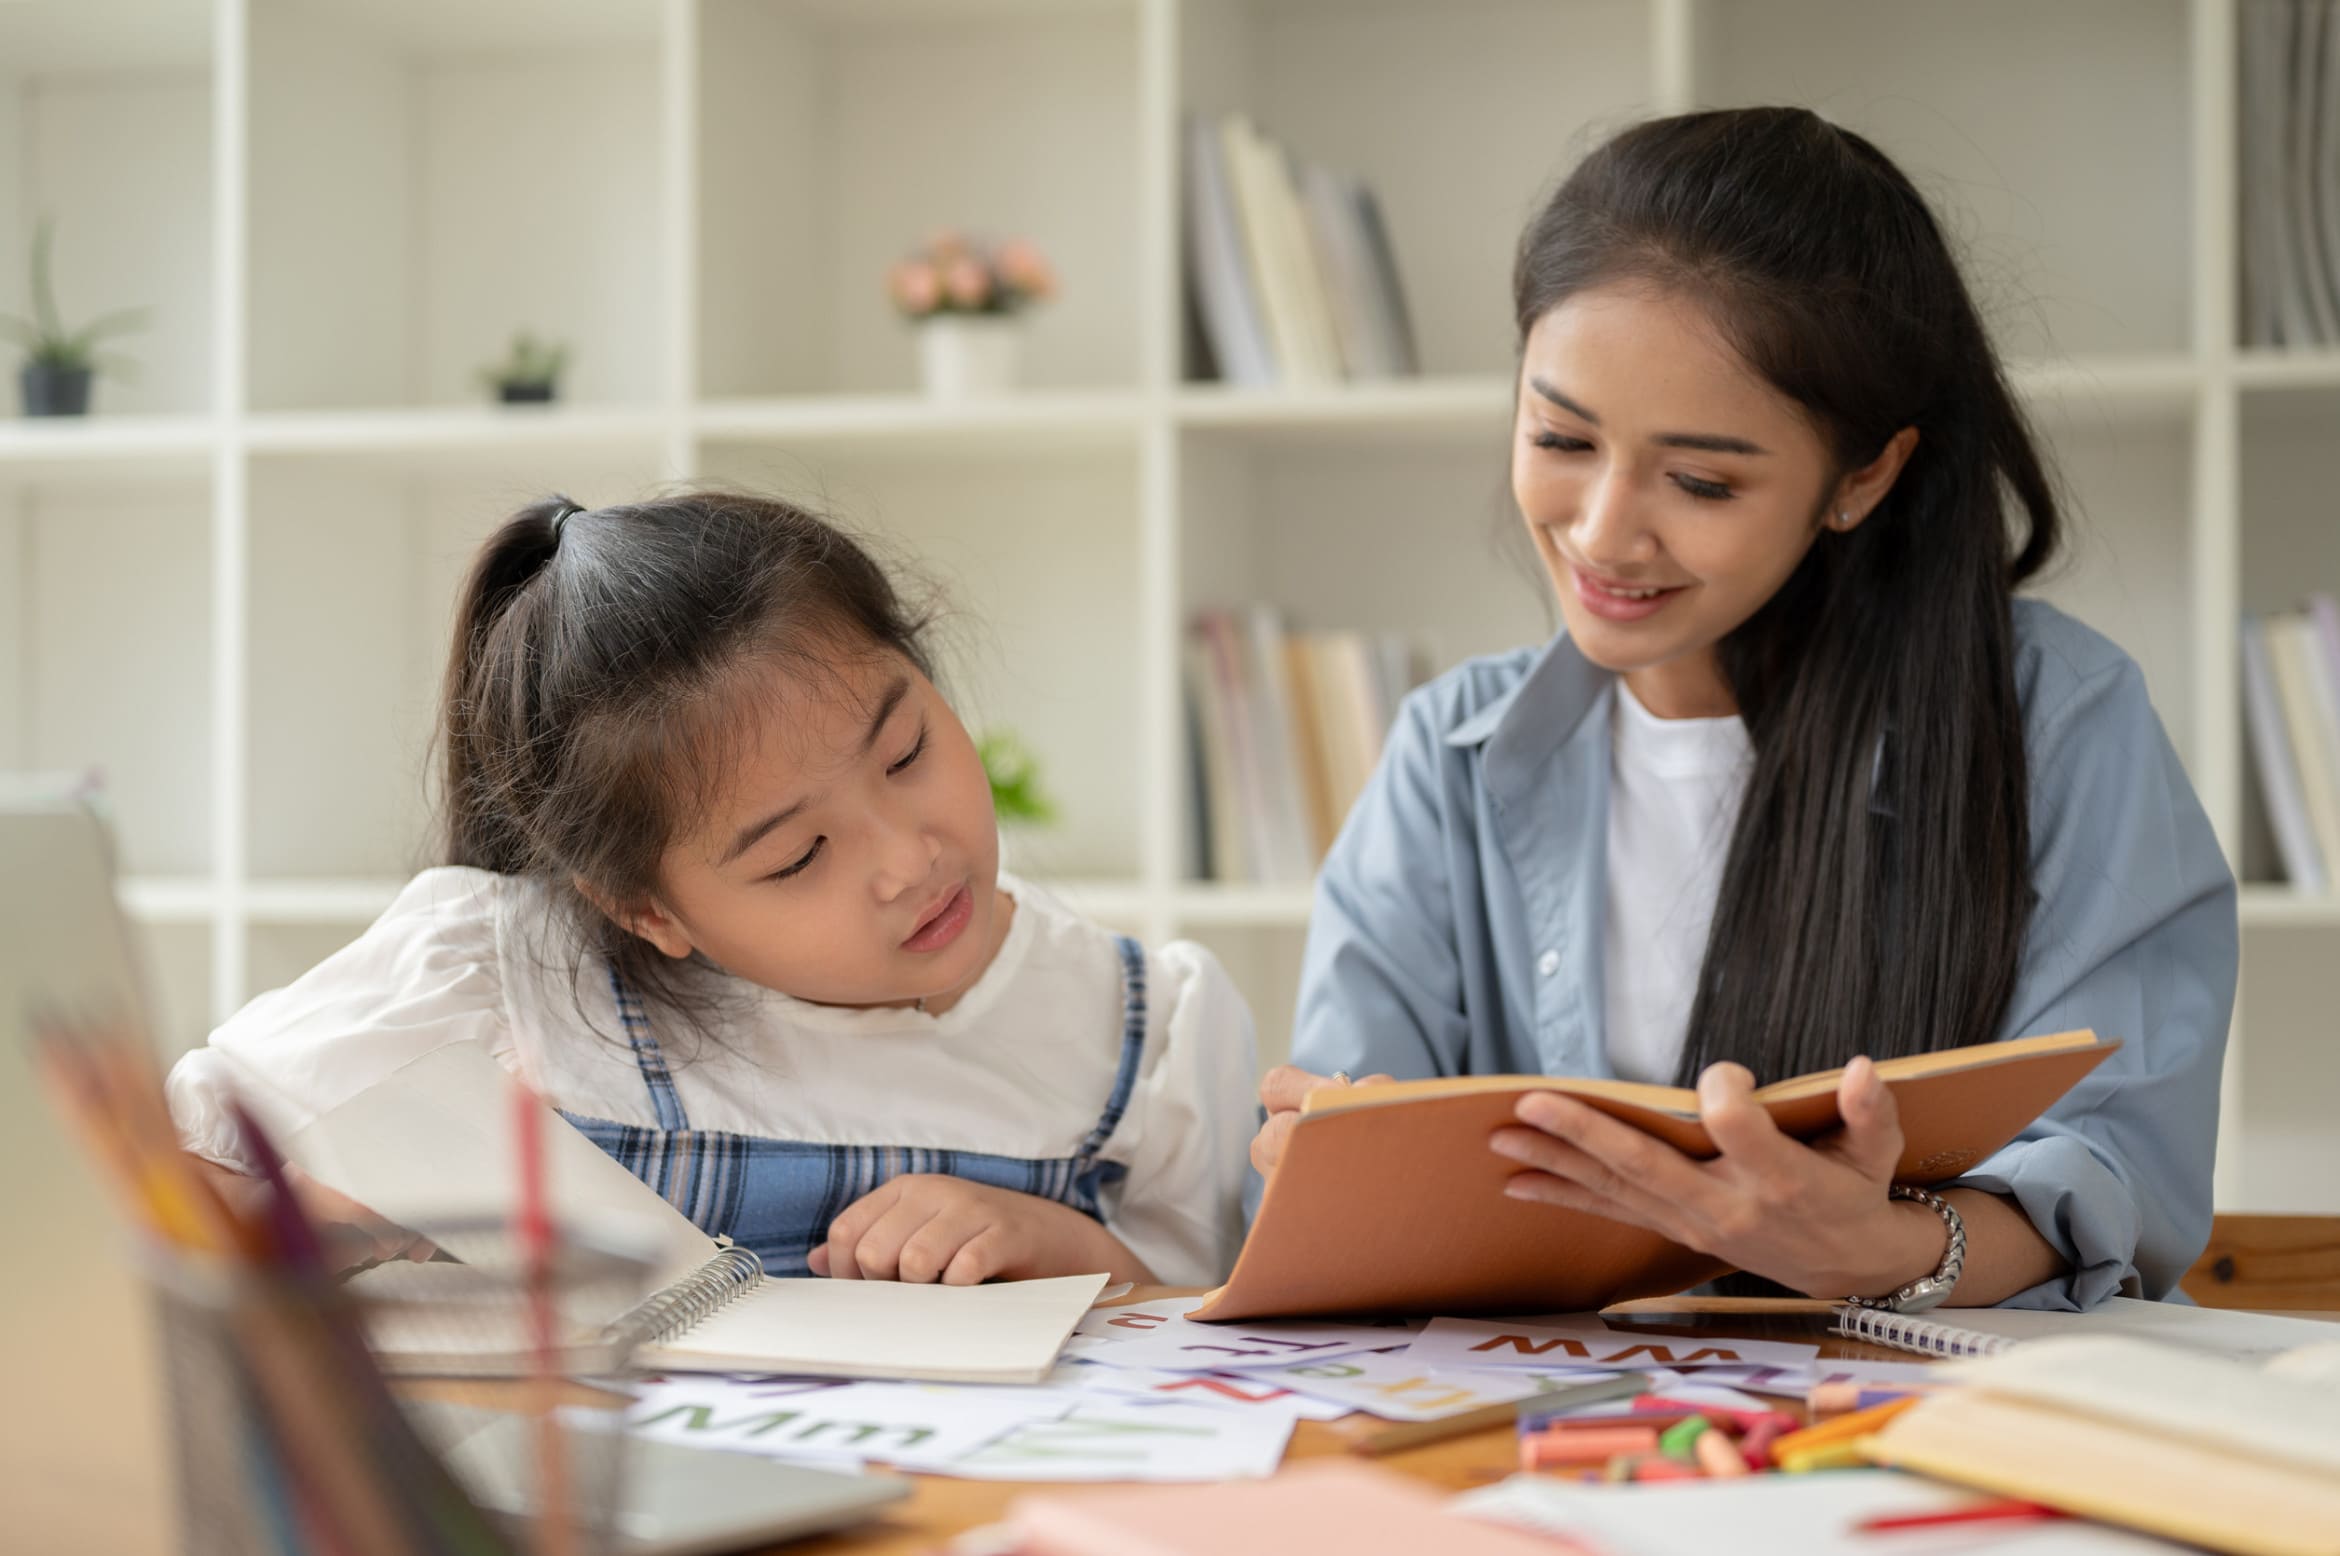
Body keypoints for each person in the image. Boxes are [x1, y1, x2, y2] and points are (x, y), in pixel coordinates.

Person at [1250, 108, 2235, 1312]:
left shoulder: (2062, 722)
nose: (1604, 530)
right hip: (1574, 1441)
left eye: (1702, 479)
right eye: (1561, 434)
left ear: (1862, 476)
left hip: (1934, 1428)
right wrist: (1323, 1182)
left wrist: (1889, 1250)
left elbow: (2119, 1165)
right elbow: (1343, 1196)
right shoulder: (1448, 759)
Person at [169, 491, 1256, 1286]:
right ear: (647, 910)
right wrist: (312, 1221)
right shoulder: (508, 976)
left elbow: (1209, 1328)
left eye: (907, 750)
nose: (906, 856)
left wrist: (1063, 1249)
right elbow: (168, 1161)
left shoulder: (1139, 1029)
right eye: (796, 858)